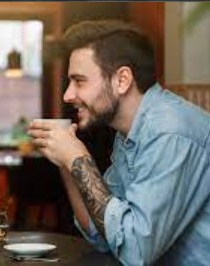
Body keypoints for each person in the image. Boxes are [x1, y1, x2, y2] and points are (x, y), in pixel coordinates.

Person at [28, 20, 210, 265]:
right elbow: (103, 234)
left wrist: (77, 158)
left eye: (79, 81)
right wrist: (66, 163)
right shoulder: (131, 132)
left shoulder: (169, 132)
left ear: (122, 80)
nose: (67, 95)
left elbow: (135, 252)